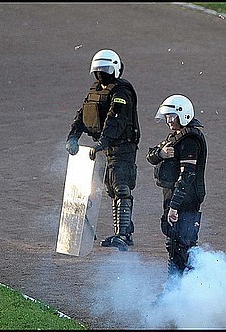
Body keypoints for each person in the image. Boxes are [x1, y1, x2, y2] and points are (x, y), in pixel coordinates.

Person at [65, 49, 140, 251]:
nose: (101, 74)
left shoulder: (122, 91)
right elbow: (83, 114)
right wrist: (73, 136)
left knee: (121, 185)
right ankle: (125, 231)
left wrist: (103, 142)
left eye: (103, 70)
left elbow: (115, 120)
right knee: (111, 187)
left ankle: (122, 235)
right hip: (106, 146)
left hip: (123, 146)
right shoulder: (96, 90)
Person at [146, 94, 207, 277]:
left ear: (183, 115)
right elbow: (150, 156)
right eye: (167, 117)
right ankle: (176, 293)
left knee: (182, 245)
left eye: (172, 117)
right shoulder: (175, 137)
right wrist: (161, 154)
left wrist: (174, 206)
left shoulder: (189, 141)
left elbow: (187, 176)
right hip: (174, 195)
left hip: (185, 200)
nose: (169, 121)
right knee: (174, 243)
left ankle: (183, 293)